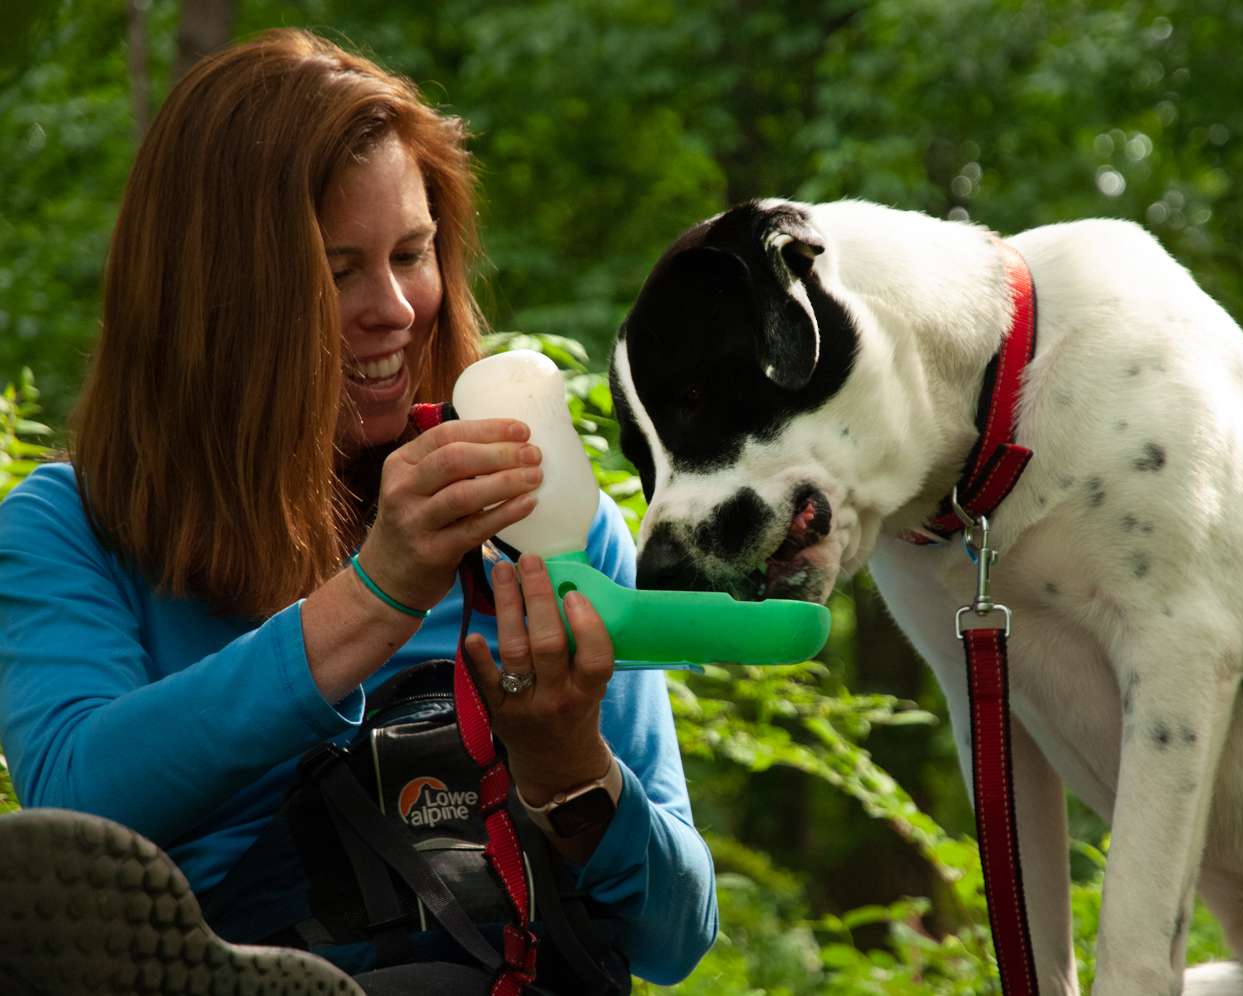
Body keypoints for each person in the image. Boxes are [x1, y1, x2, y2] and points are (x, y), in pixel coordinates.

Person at [0, 28, 716, 994]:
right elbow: (76, 812)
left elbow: (677, 940)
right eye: (338, 272)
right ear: (213, 300)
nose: (396, 309)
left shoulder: (542, 524)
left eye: (412, 254)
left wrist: (570, 771)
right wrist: (379, 595)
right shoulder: (73, 529)